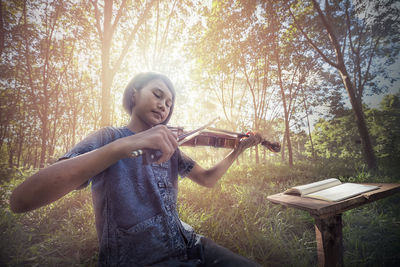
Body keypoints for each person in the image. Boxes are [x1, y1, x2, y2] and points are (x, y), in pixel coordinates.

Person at [10, 72, 262, 267]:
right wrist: (124, 145)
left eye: (169, 102)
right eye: (157, 94)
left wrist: (237, 151)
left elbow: (207, 179)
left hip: (190, 244)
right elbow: (21, 200)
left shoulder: (169, 145)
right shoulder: (109, 137)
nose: (164, 105)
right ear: (134, 95)